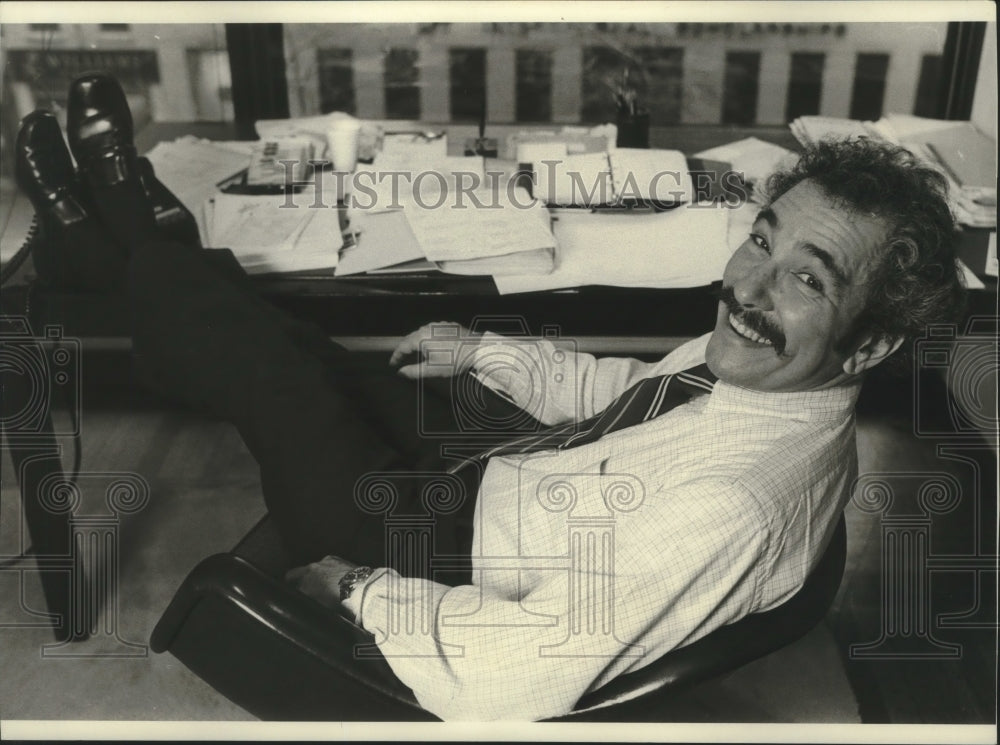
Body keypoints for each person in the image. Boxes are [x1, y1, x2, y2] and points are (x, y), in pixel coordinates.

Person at [15, 73, 966, 721]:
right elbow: (629, 396)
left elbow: (508, 676)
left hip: (446, 550)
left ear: (872, 339)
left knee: (261, 370)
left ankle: (124, 245)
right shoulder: (769, 380)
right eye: (762, 238)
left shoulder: (730, 505)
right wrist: (488, 353)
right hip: (505, 485)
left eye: (811, 279)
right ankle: (134, 249)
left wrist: (355, 584)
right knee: (302, 346)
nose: (750, 288)